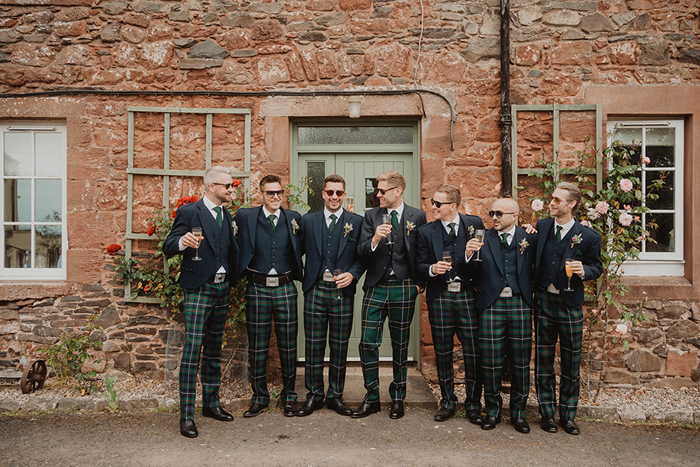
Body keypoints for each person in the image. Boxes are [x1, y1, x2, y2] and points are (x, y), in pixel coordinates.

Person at [163, 165, 239, 438]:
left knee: (214, 350)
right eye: (227, 186)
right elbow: (168, 245)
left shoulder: (227, 215)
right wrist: (182, 242)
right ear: (211, 187)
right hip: (198, 288)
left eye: (232, 185)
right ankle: (186, 416)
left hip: (222, 288)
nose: (231, 189)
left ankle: (211, 404)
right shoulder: (189, 213)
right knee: (193, 349)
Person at [352, 171, 427, 419]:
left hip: (404, 287)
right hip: (376, 286)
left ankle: (398, 397)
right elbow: (361, 251)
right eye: (378, 190)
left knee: (400, 344)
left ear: (398, 191)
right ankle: (371, 396)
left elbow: (424, 252)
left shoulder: (417, 216)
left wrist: (419, 285)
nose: (378, 194)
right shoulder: (371, 216)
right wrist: (374, 239)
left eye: (383, 190)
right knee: (368, 343)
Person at [534, 182, 602, 435]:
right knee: (543, 361)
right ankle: (547, 414)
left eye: (557, 200)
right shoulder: (541, 227)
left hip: (570, 303)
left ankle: (569, 416)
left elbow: (597, 266)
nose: (551, 203)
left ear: (571, 204)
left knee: (571, 363)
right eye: (551, 199)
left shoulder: (589, 236)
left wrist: (586, 271)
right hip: (543, 301)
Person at [234, 174, 304, 418]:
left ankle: (289, 397)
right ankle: (259, 397)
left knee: (288, 346)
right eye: (270, 193)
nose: (276, 197)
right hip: (257, 287)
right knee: (258, 346)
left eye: (279, 193)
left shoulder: (294, 219)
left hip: (285, 287)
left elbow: (305, 247)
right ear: (261, 194)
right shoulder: (245, 217)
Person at [296, 175, 365, 417]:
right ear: (322, 194)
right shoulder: (308, 221)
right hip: (315, 289)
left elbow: (363, 257)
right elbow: (296, 251)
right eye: (330, 192)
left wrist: (353, 275)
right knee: (313, 345)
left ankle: (335, 395)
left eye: (338, 193)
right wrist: (302, 276)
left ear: (344, 195)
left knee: (339, 346)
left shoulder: (357, 221)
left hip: (341, 292)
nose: (334, 197)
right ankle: (314, 395)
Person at [416, 185, 485, 424]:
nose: (432, 206)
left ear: (452, 206)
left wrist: (467, 256)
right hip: (441, 296)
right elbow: (419, 265)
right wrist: (432, 269)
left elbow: (485, 258)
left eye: (437, 203)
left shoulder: (474, 224)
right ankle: (447, 402)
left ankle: (474, 404)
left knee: (473, 352)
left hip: (468, 295)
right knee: (443, 351)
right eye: (432, 202)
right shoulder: (426, 232)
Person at [468, 198, 537, 433]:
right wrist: (468, 256)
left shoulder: (530, 237)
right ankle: (493, 411)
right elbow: (469, 272)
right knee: (490, 362)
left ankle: (518, 414)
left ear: (514, 216)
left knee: (520, 361)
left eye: (499, 213)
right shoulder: (481, 237)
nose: (494, 217)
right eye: (492, 213)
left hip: (520, 304)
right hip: (490, 305)